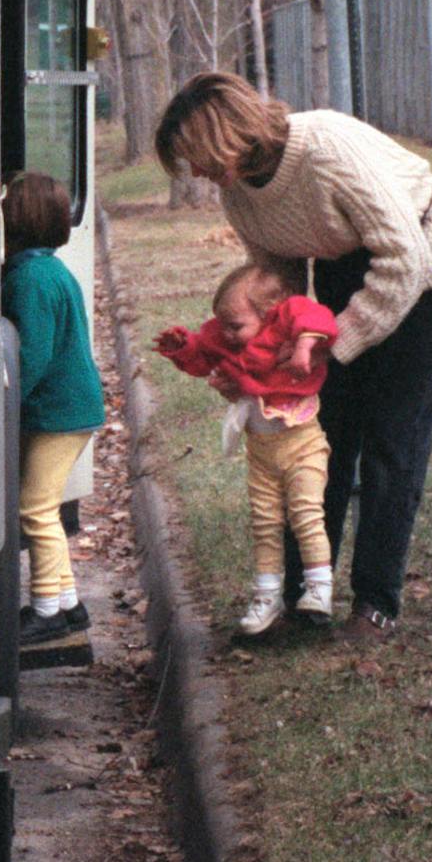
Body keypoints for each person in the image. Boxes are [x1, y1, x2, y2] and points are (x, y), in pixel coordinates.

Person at [155, 72, 432, 642]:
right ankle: (305, 599)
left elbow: (402, 257)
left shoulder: (325, 149)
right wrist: (260, 365)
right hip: (345, 259)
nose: (198, 176)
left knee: (392, 437)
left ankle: (375, 604)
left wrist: (336, 344)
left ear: (226, 136)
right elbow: (276, 289)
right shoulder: (240, 194)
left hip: (430, 261)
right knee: (318, 433)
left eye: (198, 158)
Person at [154, 264, 338, 635]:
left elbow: (317, 317)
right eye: (222, 324)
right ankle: (267, 597)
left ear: (270, 313)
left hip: (303, 445)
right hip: (261, 453)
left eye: (235, 325)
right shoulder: (226, 337)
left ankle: (319, 589)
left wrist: (304, 346)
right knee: (265, 523)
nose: (227, 333)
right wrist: (183, 347)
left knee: (305, 514)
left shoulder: (287, 322)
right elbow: (203, 353)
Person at [1, 172, 106, 666]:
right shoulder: (51, 270)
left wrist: (5, 398)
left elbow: (33, 354)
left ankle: (45, 610)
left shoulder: (29, 279)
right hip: (72, 409)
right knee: (44, 504)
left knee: (35, 509)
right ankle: (67, 605)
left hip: (58, 412)